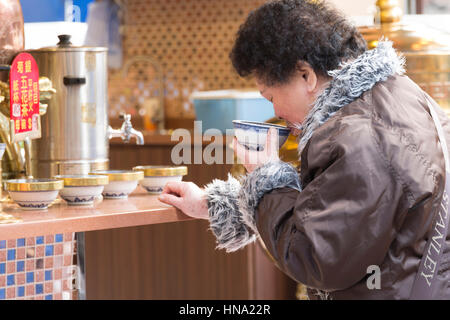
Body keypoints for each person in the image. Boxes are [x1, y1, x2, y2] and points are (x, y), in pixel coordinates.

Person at [158, 0, 450, 299]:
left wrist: (264, 176)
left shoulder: (357, 137)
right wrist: (216, 204)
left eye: (270, 95)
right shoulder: (402, 97)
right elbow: (342, 206)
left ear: (306, 75)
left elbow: (313, 256)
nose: (275, 109)